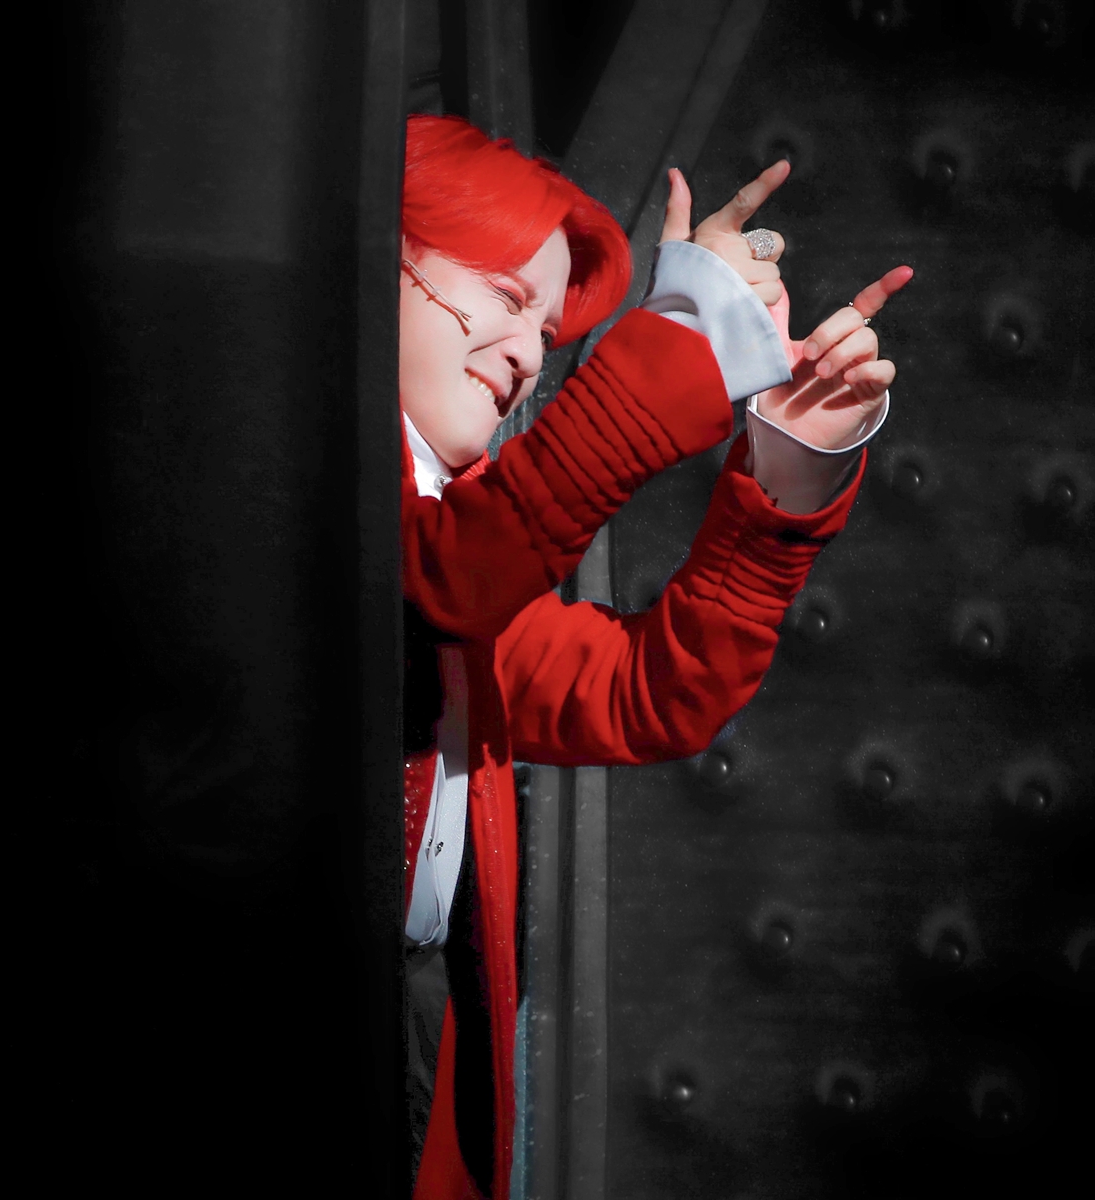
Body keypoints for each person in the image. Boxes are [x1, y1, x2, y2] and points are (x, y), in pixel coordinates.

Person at [397, 114, 911, 1200]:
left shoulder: (454, 570)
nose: (529, 354)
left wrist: (787, 467)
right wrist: (686, 335)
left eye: (546, 330)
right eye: (505, 297)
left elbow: (649, 694)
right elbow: (451, 576)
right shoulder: (271, 468)